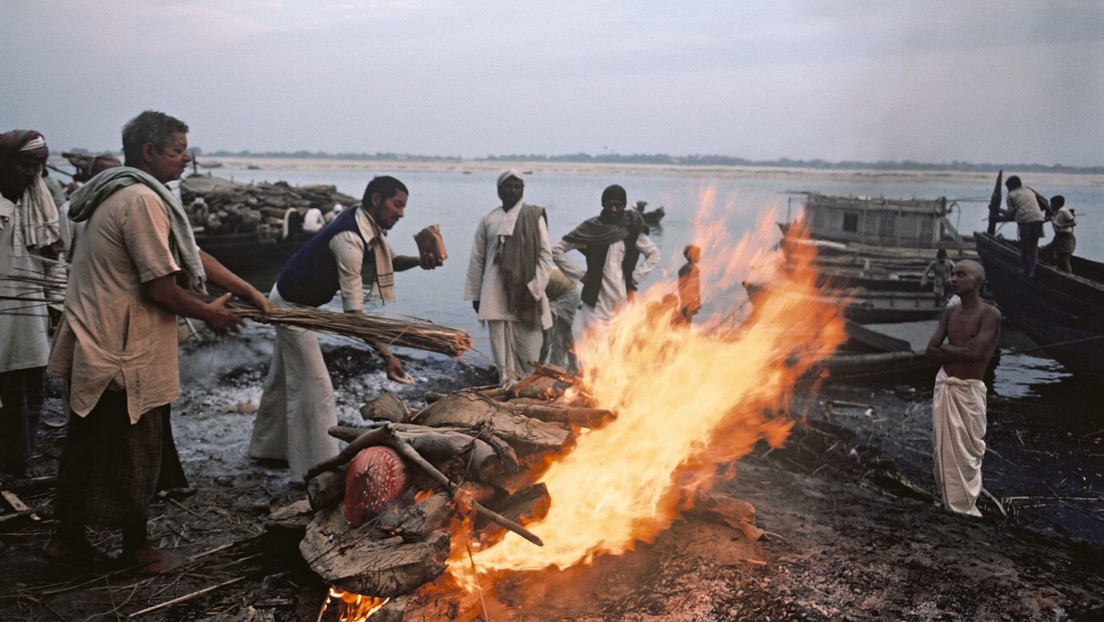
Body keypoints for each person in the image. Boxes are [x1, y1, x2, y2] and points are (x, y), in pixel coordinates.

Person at [45, 110, 272, 571]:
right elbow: (160, 288)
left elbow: (190, 253)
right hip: (119, 345)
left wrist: (248, 290)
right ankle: (135, 548)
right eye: (177, 151)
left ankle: (66, 540)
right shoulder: (141, 200)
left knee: (89, 443)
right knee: (134, 447)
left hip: (98, 336)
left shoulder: (113, 191)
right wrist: (210, 313)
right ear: (148, 152)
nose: (186, 159)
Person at [250, 175, 442, 485]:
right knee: (315, 388)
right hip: (290, 306)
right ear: (376, 200)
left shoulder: (364, 221)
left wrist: (421, 261)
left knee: (282, 381)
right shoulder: (349, 239)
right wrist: (386, 355)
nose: (401, 213)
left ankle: (267, 450)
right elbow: (354, 315)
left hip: (294, 300)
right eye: (397, 205)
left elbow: (391, 260)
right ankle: (315, 470)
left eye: (403, 207)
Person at [0, 130, 60, 478]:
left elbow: (53, 261)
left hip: (31, 313)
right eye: (23, 164)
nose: (30, 173)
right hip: (3, 312)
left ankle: (19, 459)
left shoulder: (39, 204)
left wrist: (56, 306)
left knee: (30, 389)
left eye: (36, 166)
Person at [925, 260, 1001, 517]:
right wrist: (958, 350)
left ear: (977, 281)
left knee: (968, 452)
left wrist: (947, 349)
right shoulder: (950, 313)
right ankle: (948, 501)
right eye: (953, 274)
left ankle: (964, 506)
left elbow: (975, 353)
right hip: (945, 384)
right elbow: (930, 349)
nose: (953, 278)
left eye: (961, 274)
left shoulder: (989, 314)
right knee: (943, 449)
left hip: (968, 391)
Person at [463, 170, 553, 380]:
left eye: (517, 187)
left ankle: (529, 386)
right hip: (495, 291)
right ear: (499, 191)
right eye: (508, 186)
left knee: (530, 348)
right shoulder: (489, 219)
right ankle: (506, 384)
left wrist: (534, 290)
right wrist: (476, 295)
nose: (513, 190)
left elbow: (545, 256)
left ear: (523, 190)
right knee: (500, 348)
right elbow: (477, 258)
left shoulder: (533, 216)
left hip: (527, 293)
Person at [552, 184, 660, 340]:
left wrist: (636, 277)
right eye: (610, 205)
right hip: (595, 302)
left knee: (619, 346)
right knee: (593, 346)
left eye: (618, 205)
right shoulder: (591, 229)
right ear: (603, 204)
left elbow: (654, 253)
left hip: (622, 300)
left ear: (624, 205)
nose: (614, 209)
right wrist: (580, 275)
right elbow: (557, 250)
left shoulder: (631, 230)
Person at [997, 175, 1047, 277]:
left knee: (1024, 246)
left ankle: (1025, 270)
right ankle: (1032, 271)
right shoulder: (1029, 190)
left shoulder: (1011, 195)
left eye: (1008, 187)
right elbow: (1042, 202)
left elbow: (1010, 214)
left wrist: (998, 210)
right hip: (1038, 218)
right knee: (1033, 246)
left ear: (1011, 186)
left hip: (1025, 220)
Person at [540, 267, 580, 371]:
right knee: (565, 333)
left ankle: (556, 367)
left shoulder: (537, 277)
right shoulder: (540, 270)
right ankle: (573, 366)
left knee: (557, 333)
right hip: (571, 291)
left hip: (569, 294)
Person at [1048, 195, 1076, 273]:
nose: (1050, 205)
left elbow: (1073, 222)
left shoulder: (1064, 211)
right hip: (1058, 236)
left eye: (1051, 203)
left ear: (1056, 204)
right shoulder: (1056, 212)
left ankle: (1068, 276)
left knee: (1064, 257)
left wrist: (1062, 226)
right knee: (1049, 251)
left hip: (1065, 237)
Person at [677, 244, 702, 323]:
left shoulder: (693, 269)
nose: (699, 257)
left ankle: (684, 328)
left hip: (690, 297)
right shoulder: (689, 269)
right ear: (692, 255)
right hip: (688, 298)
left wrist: (697, 298)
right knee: (686, 316)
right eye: (698, 255)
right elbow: (683, 284)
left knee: (688, 316)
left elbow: (696, 285)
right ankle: (684, 328)